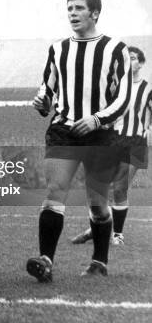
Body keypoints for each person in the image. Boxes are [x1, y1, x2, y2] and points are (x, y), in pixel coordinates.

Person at [28, 0, 132, 282]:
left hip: (101, 136)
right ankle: (45, 260)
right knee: (54, 192)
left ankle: (99, 261)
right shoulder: (58, 49)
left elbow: (123, 98)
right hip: (64, 130)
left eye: (79, 8)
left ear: (94, 13)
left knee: (97, 203)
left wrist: (97, 119)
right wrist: (42, 103)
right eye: (69, 8)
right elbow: (46, 91)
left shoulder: (115, 49)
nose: (72, 13)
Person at [71, 46, 151, 245]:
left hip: (135, 142)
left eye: (133, 58)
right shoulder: (114, 89)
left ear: (140, 63)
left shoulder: (148, 89)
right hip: (111, 140)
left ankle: (117, 235)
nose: (129, 62)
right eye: (126, 59)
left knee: (120, 188)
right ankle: (96, 228)